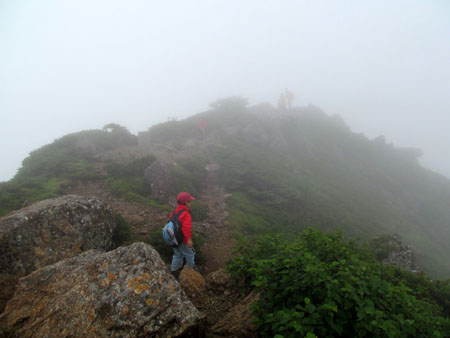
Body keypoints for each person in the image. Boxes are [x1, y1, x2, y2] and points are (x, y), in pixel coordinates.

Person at [170, 191, 196, 279]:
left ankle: (174, 271)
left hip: (173, 239)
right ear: (186, 203)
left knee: (177, 254)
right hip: (183, 240)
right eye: (190, 202)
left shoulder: (174, 212)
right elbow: (186, 228)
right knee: (190, 254)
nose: (190, 204)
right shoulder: (186, 214)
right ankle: (190, 272)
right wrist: (189, 240)